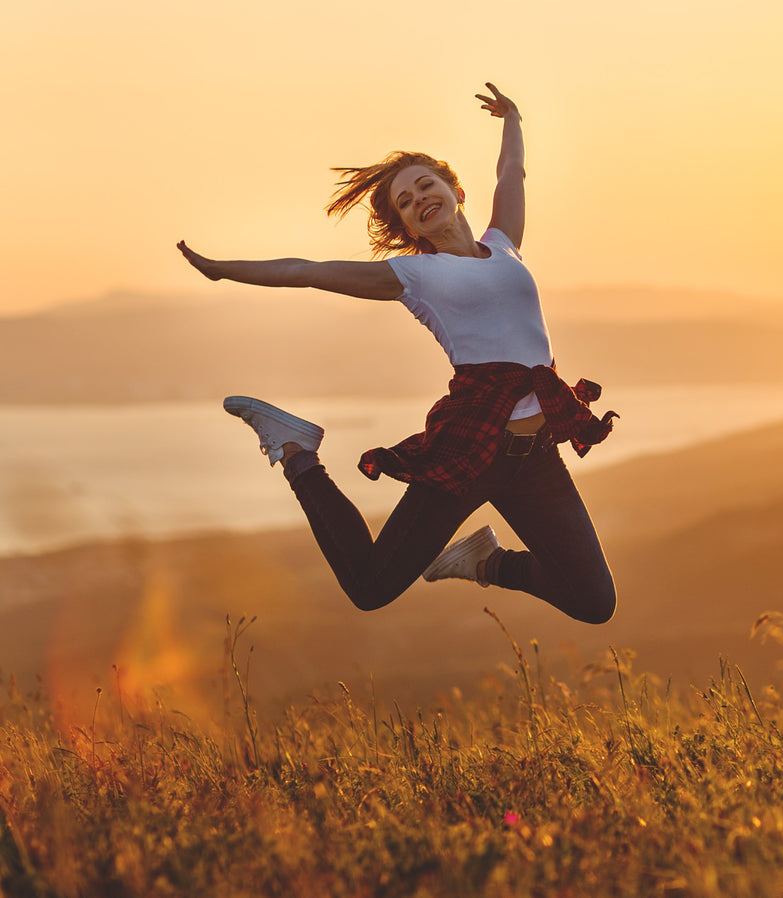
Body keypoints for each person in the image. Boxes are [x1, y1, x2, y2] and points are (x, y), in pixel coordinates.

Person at [176, 83, 618, 624]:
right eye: (405, 203)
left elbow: (511, 176)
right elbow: (308, 272)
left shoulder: (503, 245)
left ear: (454, 188)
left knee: (593, 601)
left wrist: (514, 120)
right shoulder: (416, 275)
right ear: (406, 227)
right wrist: (224, 271)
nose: (418, 200)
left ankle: (486, 563)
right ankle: (296, 451)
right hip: (472, 447)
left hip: (535, 455)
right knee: (370, 585)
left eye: (424, 185)